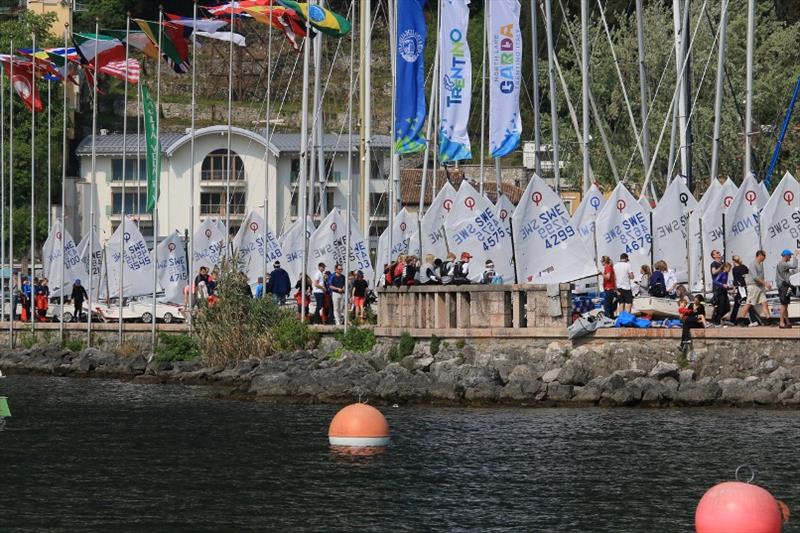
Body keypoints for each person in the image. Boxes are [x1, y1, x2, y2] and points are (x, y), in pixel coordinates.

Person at [741, 250, 770, 326]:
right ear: (760, 255)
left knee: (765, 303)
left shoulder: (760, 265)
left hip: (760, 287)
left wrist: (763, 284)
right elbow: (755, 277)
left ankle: (768, 319)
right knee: (749, 304)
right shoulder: (753, 264)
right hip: (753, 286)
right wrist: (765, 283)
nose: (765, 258)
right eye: (764, 256)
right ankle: (741, 319)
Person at [776, 249, 798, 329]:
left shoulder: (781, 264)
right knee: (783, 305)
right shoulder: (783, 264)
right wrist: (796, 256)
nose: (791, 257)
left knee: (785, 304)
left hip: (783, 285)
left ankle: (787, 322)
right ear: (786, 256)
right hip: (784, 286)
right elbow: (795, 265)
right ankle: (781, 323)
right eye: (790, 256)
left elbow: (785, 274)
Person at [729, 255, 749, 325]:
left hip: (741, 289)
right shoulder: (745, 267)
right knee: (748, 303)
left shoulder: (735, 269)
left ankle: (732, 320)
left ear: (734, 261)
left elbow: (735, 281)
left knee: (737, 304)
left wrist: (734, 290)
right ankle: (754, 320)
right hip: (747, 287)